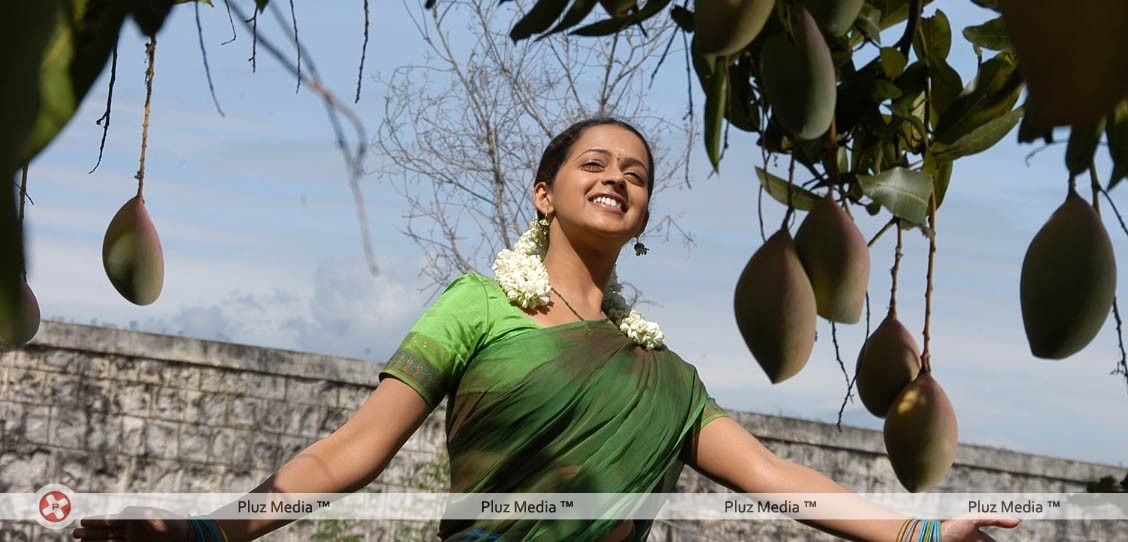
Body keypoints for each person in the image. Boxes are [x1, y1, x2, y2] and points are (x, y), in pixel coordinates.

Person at [75, 118, 1020, 541]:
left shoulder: (665, 374)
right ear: (546, 191)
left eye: (637, 174)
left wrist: (923, 532)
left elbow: (777, 479)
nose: (618, 178)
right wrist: (204, 532)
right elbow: (344, 456)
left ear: (644, 212)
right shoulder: (474, 308)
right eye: (596, 164)